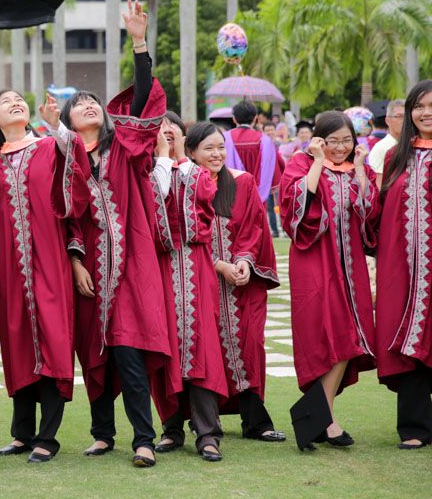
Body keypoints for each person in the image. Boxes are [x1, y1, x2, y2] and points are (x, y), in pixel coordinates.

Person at [60, 0, 167, 468]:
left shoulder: (125, 148)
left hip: (129, 266)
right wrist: (77, 260)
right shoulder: (63, 159)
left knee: (128, 349)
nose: (88, 105)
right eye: (78, 105)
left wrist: (139, 42)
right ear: (66, 122)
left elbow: (143, 102)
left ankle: (143, 438)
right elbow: (65, 217)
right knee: (94, 354)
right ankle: (102, 433)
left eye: (93, 102)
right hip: (88, 271)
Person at [0, 88, 90, 464]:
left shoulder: (49, 147)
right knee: (18, 344)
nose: (15, 102)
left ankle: (48, 436)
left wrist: (56, 126)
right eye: (5, 101)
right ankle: (22, 433)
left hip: (50, 262)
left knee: (53, 341)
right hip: (11, 269)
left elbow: (77, 188)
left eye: (18, 99)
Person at [279, 111, 378, 449]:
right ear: (319, 139)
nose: (340, 148)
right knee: (325, 335)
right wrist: (318, 162)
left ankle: (320, 416)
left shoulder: (358, 169)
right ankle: (325, 420)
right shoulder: (300, 165)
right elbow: (296, 212)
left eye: (346, 141)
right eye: (332, 141)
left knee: (350, 335)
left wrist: (361, 169)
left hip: (350, 269)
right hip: (314, 263)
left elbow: (368, 214)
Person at [184, 122, 284, 443]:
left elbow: (254, 227)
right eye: (208, 148)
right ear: (192, 152)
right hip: (201, 282)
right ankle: (203, 419)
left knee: (251, 343)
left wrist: (242, 260)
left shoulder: (242, 182)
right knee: (208, 349)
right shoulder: (185, 184)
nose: (217, 154)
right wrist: (219, 265)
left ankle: (255, 421)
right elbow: (186, 235)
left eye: (220, 147)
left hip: (242, 284)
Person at [150, 121, 228, 462]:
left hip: (196, 266)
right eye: (161, 133)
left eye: (173, 132)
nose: (168, 138)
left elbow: (205, 197)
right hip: (161, 268)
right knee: (166, 347)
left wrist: (180, 156)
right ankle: (171, 428)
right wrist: (163, 159)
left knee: (203, 348)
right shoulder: (150, 173)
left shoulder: (196, 173)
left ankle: (208, 432)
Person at [376, 81, 432, 449]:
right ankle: (413, 426)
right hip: (404, 269)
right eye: (419, 106)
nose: (426, 113)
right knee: (406, 340)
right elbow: (381, 213)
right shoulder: (396, 157)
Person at [225, 101, 281, 205]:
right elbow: (274, 168)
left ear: (234, 118)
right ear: (255, 118)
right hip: (258, 199)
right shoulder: (265, 141)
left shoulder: (223, 139)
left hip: (230, 197)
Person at [369, 99, 405, 188]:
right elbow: (378, 185)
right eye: (399, 116)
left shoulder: (413, 144)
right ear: (388, 120)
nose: (404, 121)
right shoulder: (381, 148)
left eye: (407, 117)